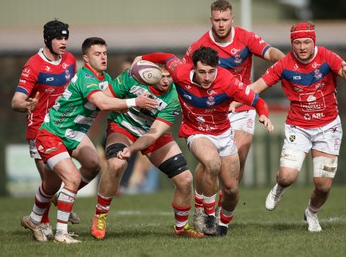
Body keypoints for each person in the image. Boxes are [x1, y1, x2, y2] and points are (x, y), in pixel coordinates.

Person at [20, 37, 156, 244]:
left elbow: (116, 98)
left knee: (92, 166)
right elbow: (101, 102)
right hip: (52, 134)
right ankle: (61, 233)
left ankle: (35, 217)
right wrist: (134, 101)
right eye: (97, 54)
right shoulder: (86, 77)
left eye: (105, 53)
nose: (103, 57)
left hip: (73, 134)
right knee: (71, 179)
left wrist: (140, 88)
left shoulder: (106, 78)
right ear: (86, 58)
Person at [131, 47, 274, 236]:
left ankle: (223, 223)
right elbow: (166, 57)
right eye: (202, 72)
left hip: (224, 134)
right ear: (193, 69)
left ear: (217, 68)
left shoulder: (228, 82)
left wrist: (264, 116)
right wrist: (142, 56)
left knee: (231, 189)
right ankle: (207, 214)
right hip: (196, 131)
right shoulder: (180, 71)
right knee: (212, 163)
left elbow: (258, 101)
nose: (206, 77)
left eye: (211, 72)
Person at [249, 22, 346, 232]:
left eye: (307, 42)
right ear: (292, 44)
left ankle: (311, 213)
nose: (302, 47)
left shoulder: (328, 57)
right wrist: (230, 101)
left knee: (323, 185)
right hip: (298, 127)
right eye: (297, 42)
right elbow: (255, 88)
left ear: (314, 42)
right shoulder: (284, 64)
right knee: (287, 176)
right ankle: (279, 188)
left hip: (328, 127)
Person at [183, 0, 285, 229]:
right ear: (211, 20)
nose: (221, 24)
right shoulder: (199, 46)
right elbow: (182, 74)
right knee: (211, 162)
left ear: (232, 19)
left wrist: (286, 60)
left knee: (240, 149)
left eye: (225, 20)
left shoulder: (246, 38)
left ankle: (225, 201)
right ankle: (202, 202)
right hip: (212, 108)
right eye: (217, 20)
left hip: (240, 104)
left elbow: (270, 52)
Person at [90, 65, 204, 239]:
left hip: (152, 133)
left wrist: (132, 149)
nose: (166, 80)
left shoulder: (174, 96)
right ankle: (100, 216)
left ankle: (181, 228)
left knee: (185, 179)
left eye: (169, 76)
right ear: (150, 73)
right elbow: (104, 99)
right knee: (115, 164)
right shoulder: (131, 77)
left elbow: (154, 134)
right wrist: (124, 104)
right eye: (161, 76)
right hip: (123, 127)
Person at [11, 19, 80, 239]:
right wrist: (26, 105)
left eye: (66, 37)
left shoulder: (69, 60)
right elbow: (16, 101)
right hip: (39, 129)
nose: (64, 42)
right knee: (50, 181)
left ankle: (59, 202)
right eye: (59, 38)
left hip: (63, 126)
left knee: (90, 164)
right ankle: (44, 223)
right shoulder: (34, 65)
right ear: (48, 40)